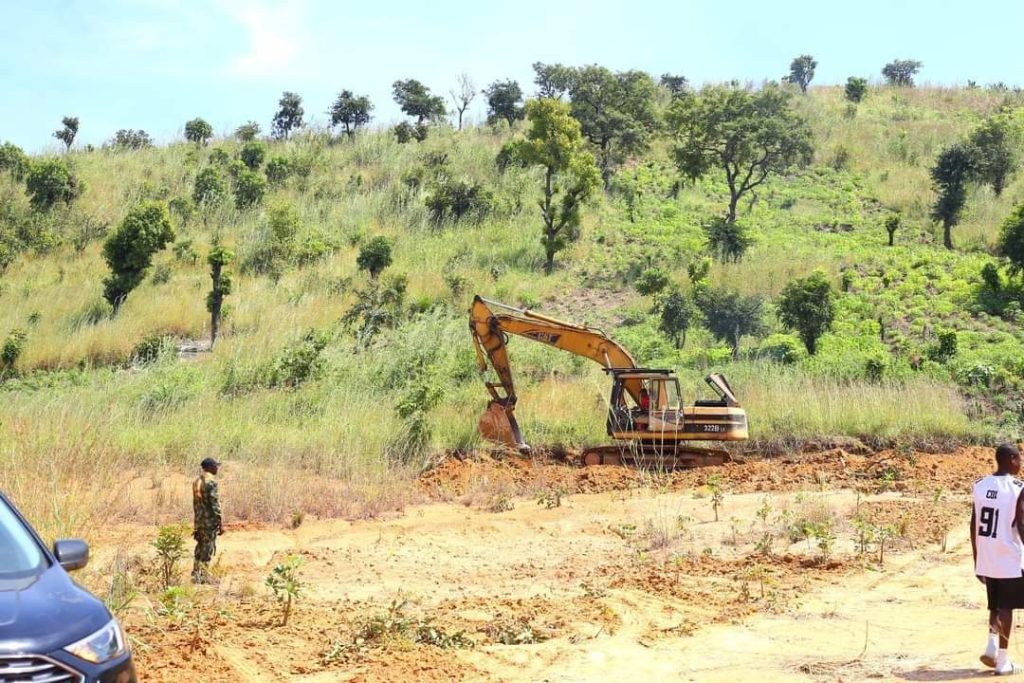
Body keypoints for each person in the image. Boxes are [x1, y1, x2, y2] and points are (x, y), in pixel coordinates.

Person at [972, 443, 1024, 675]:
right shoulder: (1017, 488)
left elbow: (973, 523)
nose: (1021, 464)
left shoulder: (980, 485)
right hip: (1007, 554)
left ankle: (992, 646)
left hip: (987, 554)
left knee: (995, 603)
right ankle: (1003, 662)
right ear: (1011, 459)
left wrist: (976, 558)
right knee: (1006, 607)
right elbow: (1021, 523)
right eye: (1019, 459)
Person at [192, 456, 224, 584]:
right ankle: (204, 577)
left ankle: (195, 574)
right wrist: (220, 522)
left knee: (199, 548)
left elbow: (196, 504)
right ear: (210, 467)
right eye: (215, 466)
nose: (217, 468)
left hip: (199, 521)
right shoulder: (211, 482)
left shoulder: (196, 482)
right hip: (209, 522)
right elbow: (214, 504)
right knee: (208, 548)